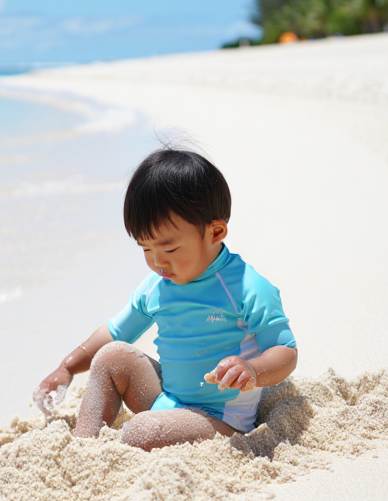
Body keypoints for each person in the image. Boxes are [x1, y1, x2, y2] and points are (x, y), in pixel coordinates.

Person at [33, 147, 298, 451]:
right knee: (112, 355)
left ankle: (121, 446)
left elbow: (285, 351)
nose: (158, 262)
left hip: (220, 419)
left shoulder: (245, 287)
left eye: (169, 249)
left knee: (141, 432)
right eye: (146, 249)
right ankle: (84, 447)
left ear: (215, 232)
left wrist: (253, 370)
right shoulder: (157, 286)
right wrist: (67, 367)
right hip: (167, 400)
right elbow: (112, 333)